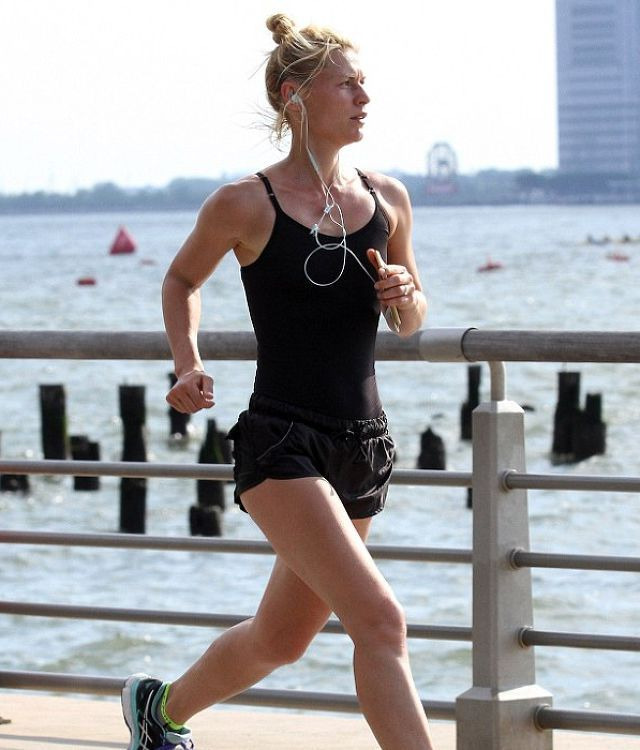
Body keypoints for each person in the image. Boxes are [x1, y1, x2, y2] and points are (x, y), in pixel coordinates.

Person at [121, 12, 434, 750]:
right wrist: (188, 361)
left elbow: (412, 318)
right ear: (295, 96)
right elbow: (180, 279)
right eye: (347, 85)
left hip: (363, 445)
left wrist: (403, 295)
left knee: (281, 638)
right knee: (380, 621)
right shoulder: (245, 203)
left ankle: (158, 710)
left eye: (364, 84)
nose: (364, 97)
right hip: (282, 444)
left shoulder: (388, 199)